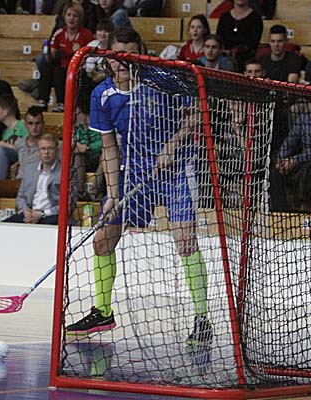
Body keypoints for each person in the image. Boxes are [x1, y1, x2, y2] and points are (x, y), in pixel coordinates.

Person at [66, 28, 212, 349]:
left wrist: (173, 143)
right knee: (103, 239)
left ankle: (202, 319)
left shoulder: (162, 78)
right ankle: (102, 312)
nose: (122, 64)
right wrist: (113, 195)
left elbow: (197, 112)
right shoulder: (102, 95)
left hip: (176, 169)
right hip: (134, 174)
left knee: (185, 241)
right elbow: (109, 148)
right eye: (117, 57)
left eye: (129, 57)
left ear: (140, 55)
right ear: (108, 57)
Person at [0, 106, 45, 221]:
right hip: (18, 182)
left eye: (37, 123)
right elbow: (22, 157)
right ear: (25, 124)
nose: (34, 127)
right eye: (30, 123)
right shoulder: (20, 143)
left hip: (35, 183)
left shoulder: (48, 144)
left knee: (25, 197)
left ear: (43, 124)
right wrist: (17, 164)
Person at [36, 2, 94, 113]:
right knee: (47, 69)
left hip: (79, 68)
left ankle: (61, 103)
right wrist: (48, 53)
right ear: (64, 17)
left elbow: (91, 56)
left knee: (60, 72)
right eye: (69, 15)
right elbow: (52, 57)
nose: (71, 18)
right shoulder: (59, 34)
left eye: (75, 16)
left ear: (80, 18)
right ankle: (42, 101)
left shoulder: (87, 35)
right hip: (62, 66)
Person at [3, 134, 61, 224]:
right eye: (43, 149)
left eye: (50, 148)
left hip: (51, 215)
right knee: (4, 225)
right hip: (29, 212)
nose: (46, 152)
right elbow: (21, 196)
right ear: (38, 151)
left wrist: (42, 214)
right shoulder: (29, 169)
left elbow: (69, 205)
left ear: (57, 151)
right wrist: (25, 210)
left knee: (44, 226)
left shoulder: (66, 172)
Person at [216, 0, 263, 71]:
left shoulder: (256, 18)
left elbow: (253, 43)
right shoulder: (224, 17)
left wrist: (236, 50)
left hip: (246, 60)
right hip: (224, 58)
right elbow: (218, 39)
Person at [85, 19, 114, 84]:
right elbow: (89, 71)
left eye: (106, 31)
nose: (102, 34)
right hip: (91, 80)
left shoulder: (114, 47)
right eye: (100, 30)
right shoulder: (91, 45)